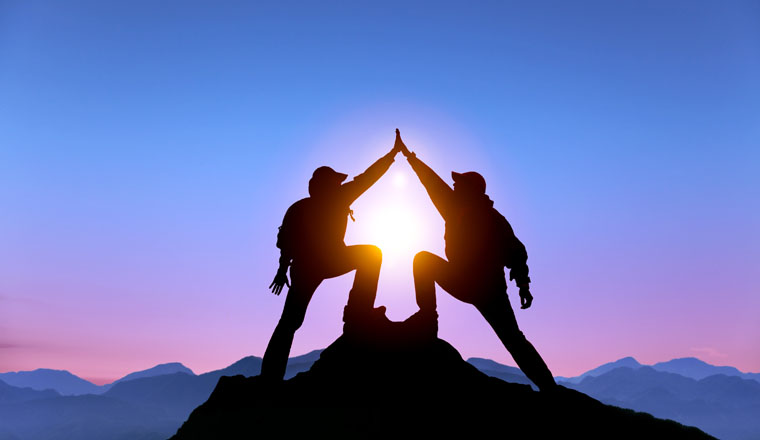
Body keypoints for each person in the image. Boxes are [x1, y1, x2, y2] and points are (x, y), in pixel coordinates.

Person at [395, 129, 557, 391]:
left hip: (487, 290)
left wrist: (523, 286)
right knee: (423, 260)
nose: (454, 187)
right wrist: (409, 156)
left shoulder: (490, 220)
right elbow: (431, 181)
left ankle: (549, 388)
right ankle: (428, 321)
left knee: (513, 340)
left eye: (459, 185)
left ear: (471, 191)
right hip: (467, 281)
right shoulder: (456, 207)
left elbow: (517, 253)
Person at [261, 138, 400, 380]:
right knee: (372, 254)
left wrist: (282, 270)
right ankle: (358, 314)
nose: (340, 184)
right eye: (336, 181)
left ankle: (269, 377)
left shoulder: (299, 207)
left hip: (305, 267)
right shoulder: (338, 198)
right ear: (328, 185)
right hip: (325, 261)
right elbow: (370, 177)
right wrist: (393, 154)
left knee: (289, 322)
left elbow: (285, 243)